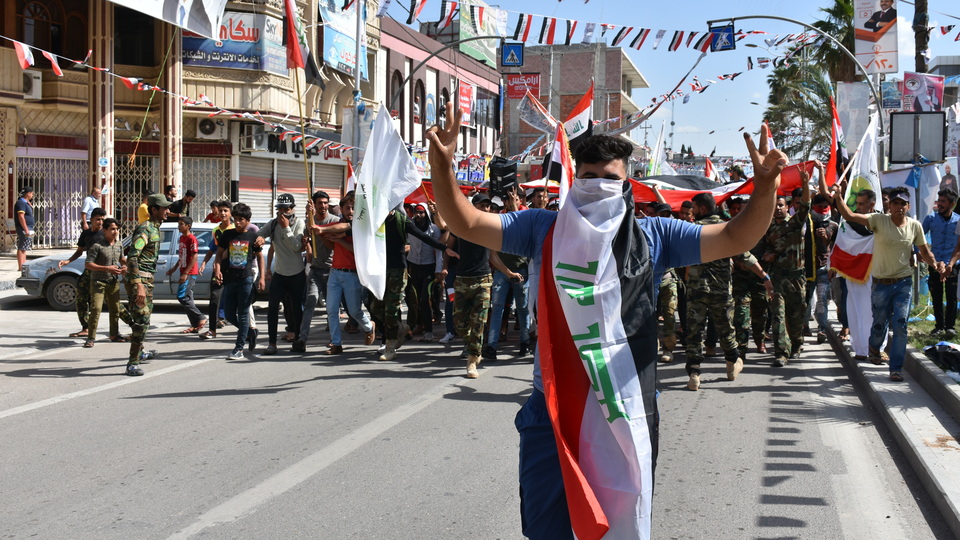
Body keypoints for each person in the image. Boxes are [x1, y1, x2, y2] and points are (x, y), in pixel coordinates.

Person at [427, 106, 787, 538]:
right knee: (548, 527)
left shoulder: (657, 235)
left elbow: (735, 237)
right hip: (554, 406)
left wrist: (765, 188)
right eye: (589, 176)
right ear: (574, 180)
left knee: (618, 525)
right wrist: (442, 166)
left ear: (627, 185)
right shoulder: (542, 227)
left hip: (623, 405)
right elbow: (467, 221)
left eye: (610, 179)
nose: (599, 186)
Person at [836, 186, 940, 382]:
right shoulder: (878, 221)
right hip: (881, 284)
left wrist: (935, 264)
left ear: (908, 206)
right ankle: (874, 347)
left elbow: (924, 251)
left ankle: (896, 368)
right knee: (879, 324)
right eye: (895, 203)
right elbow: (849, 215)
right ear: (889, 206)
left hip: (903, 283)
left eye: (903, 203)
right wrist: (839, 197)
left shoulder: (915, 226)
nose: (899, 207)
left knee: (900, 324)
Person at [684, 192, 757, 390]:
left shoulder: (691, 229)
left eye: (693, 208)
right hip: (721, 291)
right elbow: (746, 256)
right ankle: (732, 364)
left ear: (702, 209)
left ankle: (694, 374)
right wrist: (765, 277)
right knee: (726, 329)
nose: (691, 212)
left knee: (694, 332)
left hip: (697, 290)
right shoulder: (727, 228)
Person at [760, 172, 810, 367]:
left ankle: (796, 345)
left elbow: (805, 205)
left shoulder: (796, 223)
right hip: (778, 277)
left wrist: (805, 183)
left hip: (797, 277)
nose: (778, 209)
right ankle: (781, 353)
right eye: (775, 205)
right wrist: (768, 254)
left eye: (781, 205)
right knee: (778, 315)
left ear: (787, 206)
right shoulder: (768, 228)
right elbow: (765, 248)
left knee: (796, 315)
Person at [319, 192, 376, 355]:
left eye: (353, 208)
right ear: (341, 209)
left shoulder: (360, 226)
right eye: (347, 208)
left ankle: (368, 326)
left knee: (354, 311)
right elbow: (331, 245)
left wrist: (338, 240)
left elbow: (357, 251)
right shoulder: (338, 224)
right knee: (331, 310)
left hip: (352, 274)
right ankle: (336, 343)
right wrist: (322, 235)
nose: (350, 211)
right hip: (335, 272)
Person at [443, 193, 493, 378]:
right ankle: (473, 343)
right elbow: (447, 243)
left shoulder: (491, 227)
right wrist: (445, 267)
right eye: (482, 205)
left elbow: (494, 254)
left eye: (488, 206)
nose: (486, 208)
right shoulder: (460, 225)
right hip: (462, 280)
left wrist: (508, 272)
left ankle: (473, 359)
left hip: (483, 279)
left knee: (479, 322)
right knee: (460, 324)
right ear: (473, 207)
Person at [124, 193, 171, 376]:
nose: (167, 211)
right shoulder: (145, 230)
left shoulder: (155, 228)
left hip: (147, 279)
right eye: (164, 208)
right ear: (154, 210)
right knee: (142, 320)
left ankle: (140, 351)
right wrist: (139, 285)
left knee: (142, 319)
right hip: (140, 280)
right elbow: (133, 257)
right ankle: (132, 363)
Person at [255, 193, 306, 354]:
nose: (283, 213)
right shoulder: (273, 224)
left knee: (296, 309)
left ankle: (298, 340)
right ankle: (272, 343)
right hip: (280, 273)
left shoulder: (299, 223)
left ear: (292, 209)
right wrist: (260, 239)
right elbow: (259, 234)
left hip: (296, 273)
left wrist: (286, 228)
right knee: (272, 309)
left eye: (286, 209)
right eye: (280, 209)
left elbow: (297, 246)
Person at [214, 203, 265, 360]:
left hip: (246, 279)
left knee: (243, 314)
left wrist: (262, 277)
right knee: (229, 314)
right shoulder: (227, 235)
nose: (237, 222)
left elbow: (260, 257)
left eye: (241, 219)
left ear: (247, 221)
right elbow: (218, 254)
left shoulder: (252, 237)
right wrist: (217, 269)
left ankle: (239, 348)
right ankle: (249, 332)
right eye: (235, 219)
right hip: (229, 280)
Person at [295, 191, 341, 352]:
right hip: (315, 269)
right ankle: (302, 339)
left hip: (332, 270)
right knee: (310, 302)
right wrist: (305, 241)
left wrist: (319, 232)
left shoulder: (335, 221)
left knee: (332, 307)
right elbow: (305, 242)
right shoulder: (310, 220)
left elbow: (337, 244)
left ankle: (334, 340)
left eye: (325, 203)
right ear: (314, 204)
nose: (323, 206)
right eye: (320, 203)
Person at [84, 218, 133, 347]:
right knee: (96, 309)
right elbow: (88, 264)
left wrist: (126, 267)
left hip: (113, 282)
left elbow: (122, 259)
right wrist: (107, 268)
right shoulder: (97, 246)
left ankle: (114, 334)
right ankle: (91, 338)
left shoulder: (119, 245)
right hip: (98, 282)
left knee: (115, 309)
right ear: (104, 230)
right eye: (112, 229)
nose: (115, 231)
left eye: (117, 229)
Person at [60, 207, 108, 339]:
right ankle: (85, 327)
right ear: (91, 220)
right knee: (81, 297)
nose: (100, 222)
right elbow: (79, 251)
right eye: (98, 219)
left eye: (102, 220)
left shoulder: (105, 234)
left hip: (102, 272)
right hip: (89, 271)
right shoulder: (86, 234)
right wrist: (68, 261)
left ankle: (131, 325)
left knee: (111, 302)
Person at [921, 188, 959, 338]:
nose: (939, 204)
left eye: (943, 201)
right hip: (935, 264)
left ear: (952, 204)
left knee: (951, 296)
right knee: (936, 295)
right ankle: (939, 326)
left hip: (953, 265)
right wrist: (919, 252)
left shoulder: (958, 220)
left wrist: (950, 264)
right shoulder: (930, 219)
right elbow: (918, 236)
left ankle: (950, 327)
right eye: (939, 201)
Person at [406, 203, 444, 340]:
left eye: (422, 213)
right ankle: (417, 325)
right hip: (414, 266)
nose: (419, 215)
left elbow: (439, 250)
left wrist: (439, 269)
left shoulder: (434, 229)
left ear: (426, 214)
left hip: (429, 267)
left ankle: (429, 331)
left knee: (424, 299)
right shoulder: (410, 225)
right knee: (414, 299)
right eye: (416, 212)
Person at [199, 200, 234, 340]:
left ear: (230, 212)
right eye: (220, 211)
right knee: (214, 297)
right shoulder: (216, 230)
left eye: (225, 210)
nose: (223, 213)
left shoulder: (235, 229)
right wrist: (204, 264)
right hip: (219, 267)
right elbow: (212, 249)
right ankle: (212, 330)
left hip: (234, 268)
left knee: (240, 299)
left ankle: (247, 329)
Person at [166, 216, 207, 333]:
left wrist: (185, 273)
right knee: (189, 298)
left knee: (182, 296)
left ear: (188, 226)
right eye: (178, 224)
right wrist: (174, 269)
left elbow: (194, 257)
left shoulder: (191, 239)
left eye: (181, 224)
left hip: (189, 273)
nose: (179, 226)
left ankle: (201, 317)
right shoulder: (182, 239)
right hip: (182, 271)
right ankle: (194, 325)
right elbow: (181, 257)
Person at [14, 186, 35, 271]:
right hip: (23, 228)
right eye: (32, 193)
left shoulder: (25, 203)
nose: (32, 195)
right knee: (22, 246)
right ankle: (20, 267)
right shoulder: (21, 203)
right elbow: (21, 216)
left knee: (25, 247)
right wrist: (26, 229)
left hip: (28, 227)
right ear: (28, 193)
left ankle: (24, 265)